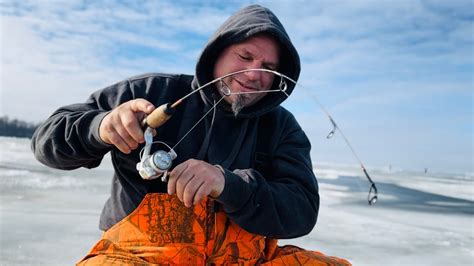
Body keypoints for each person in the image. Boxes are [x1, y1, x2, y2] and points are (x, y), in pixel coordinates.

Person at [32, 4, 351, 265]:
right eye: (244, 57)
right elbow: (47, 141)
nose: (254, 74)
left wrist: (230, 185)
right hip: (138, 256)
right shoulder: (149, 91)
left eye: (268, 67)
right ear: (218, 52)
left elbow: (302, 211)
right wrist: (98, 127)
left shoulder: (282, 126)